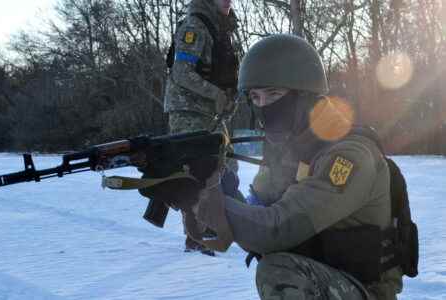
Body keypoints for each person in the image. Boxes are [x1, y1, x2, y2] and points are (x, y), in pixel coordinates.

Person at [143, 34, 408, 299]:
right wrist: (217, 187)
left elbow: (276, 229)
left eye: (274, 94)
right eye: (255, 97)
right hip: (322, 279)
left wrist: (200, 200)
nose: (264, 106)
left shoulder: (350, 155)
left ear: (307, 96)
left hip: (365, 289)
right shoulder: (285, 152)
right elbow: (256, 214)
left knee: (278, 272)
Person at [165, 0, 241, 256]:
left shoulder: (222, 29)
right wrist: (217, 95)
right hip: (189, 112)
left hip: (211, 113)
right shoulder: (196, 25)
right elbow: (182, 73)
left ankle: (212, 229)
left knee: (226, 167)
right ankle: (196, 238)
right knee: (196, 174)